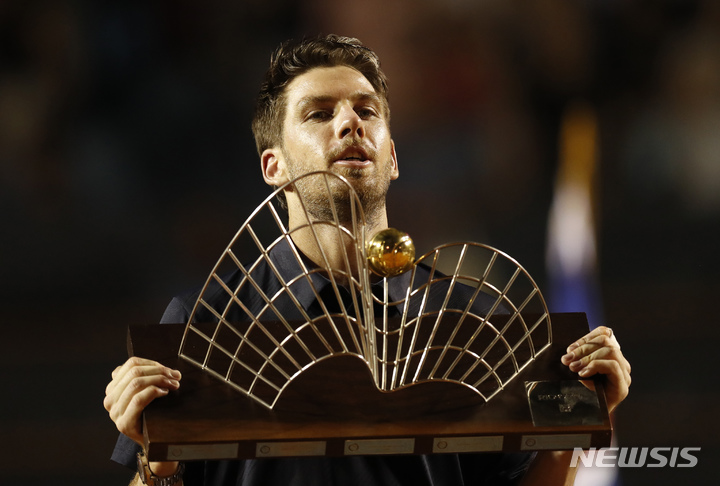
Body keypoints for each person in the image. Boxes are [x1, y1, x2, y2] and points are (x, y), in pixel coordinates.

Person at [104, 34, 632, 486]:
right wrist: (156, 463)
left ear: (393, 156)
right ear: (273, 166)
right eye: (319, 113)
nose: (350, 123)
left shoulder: (470, 317)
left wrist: (582, 416)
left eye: (367, 110)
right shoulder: (205, 321)